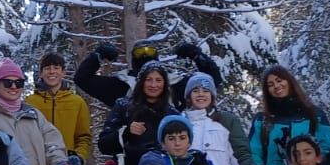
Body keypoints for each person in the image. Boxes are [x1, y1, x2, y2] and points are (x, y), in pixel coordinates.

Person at [73, 39, 225, 110]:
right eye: (140, 52)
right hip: (134, 152)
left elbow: (210, 82)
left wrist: (197, 56)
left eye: (149, 51)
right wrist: (97, 56)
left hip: (173, 147)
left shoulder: (175, 83)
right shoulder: (120, 85)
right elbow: (82, 79)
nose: (153, 85)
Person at [249, 64, 330, 165]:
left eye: (279, 80)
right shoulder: (262, 121)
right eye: (270, 85)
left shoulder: (314, 115)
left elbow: (327, 148)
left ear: (289, 82)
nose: (276, 86)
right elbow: (254, 153)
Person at [98, 61, 179, 165]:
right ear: (141, 82)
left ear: (165, 84)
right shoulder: (123, 106)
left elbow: (181, 147)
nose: (153, 85)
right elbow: (103, 145)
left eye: (158, 80)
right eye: (148, 80)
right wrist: (126, 132)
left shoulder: (172, 114)